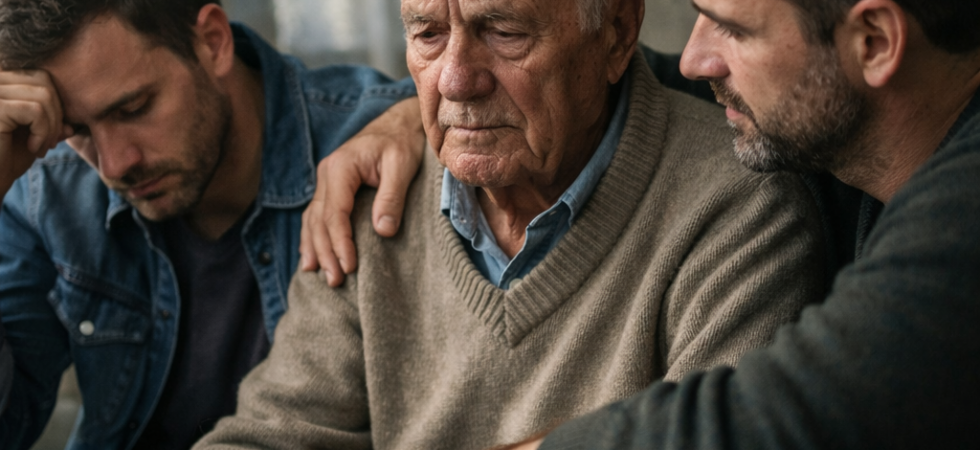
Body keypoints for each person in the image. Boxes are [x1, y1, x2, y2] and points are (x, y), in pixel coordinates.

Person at [193, 0, 827, 448]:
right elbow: (270, 438)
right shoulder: (372, 198)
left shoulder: (740, 208)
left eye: (503, 31)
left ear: (617, 32)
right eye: (426, 34)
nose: (457, 79)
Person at [0, 0, 420, 448]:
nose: (114, 165)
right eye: (76, 131)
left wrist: (433, 124)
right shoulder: (45, 188)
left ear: (213, 42)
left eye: (134, 109)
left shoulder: (374, 149)